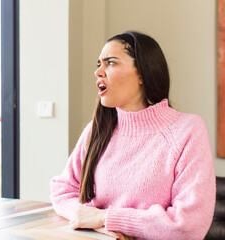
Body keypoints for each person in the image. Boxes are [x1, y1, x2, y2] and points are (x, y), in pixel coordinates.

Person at [50, 31, 216, 240]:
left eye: (110, 63)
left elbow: (188, 225)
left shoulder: (187, 130)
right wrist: (88, 219)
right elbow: (63, 190)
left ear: (142, 74)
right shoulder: (96, 130)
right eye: (98, 64)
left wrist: (107, 218)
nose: (98, 72)